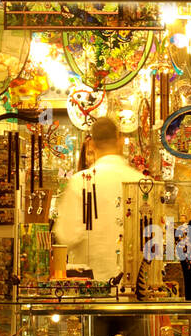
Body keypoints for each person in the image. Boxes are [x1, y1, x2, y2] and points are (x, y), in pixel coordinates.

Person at [51, 117, 142, 282]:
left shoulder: (81, 182)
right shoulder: (141, 181)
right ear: (121, 141)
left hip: (91, 289)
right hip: (133, 286)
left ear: (91, 144)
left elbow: (66, 236)